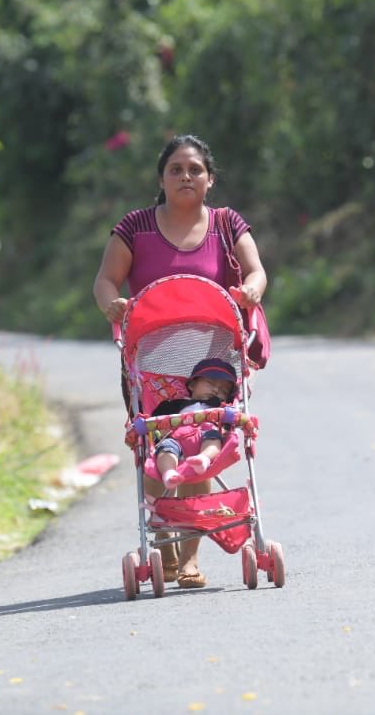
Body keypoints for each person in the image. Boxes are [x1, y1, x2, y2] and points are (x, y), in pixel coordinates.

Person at [93, 134, 267, 589]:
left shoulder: (227, 223)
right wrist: (113, 305)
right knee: (155, 447)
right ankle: (163, 544)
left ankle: (189, 558)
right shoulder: (135, 227)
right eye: (176, 169)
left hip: (213, 365)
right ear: (162, 179)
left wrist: (251, 290)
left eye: (195, 169)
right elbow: (105, 281)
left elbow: (256, 270)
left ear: (210, 179)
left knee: (199, 447)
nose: (186, 176)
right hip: (151, 365)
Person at [150, 358, 238, 488]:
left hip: (205, 436)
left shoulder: (221, 408)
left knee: (214, 437)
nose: (216, 390)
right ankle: (169, 473)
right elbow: (155, 420)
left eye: (223, 391)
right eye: (210, 383)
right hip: (177, 439)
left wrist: (230, 422)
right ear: (192, 385)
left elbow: (230, 426)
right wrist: (159, 431)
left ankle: (204, 459)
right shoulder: (176, 404)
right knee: (165, 448)